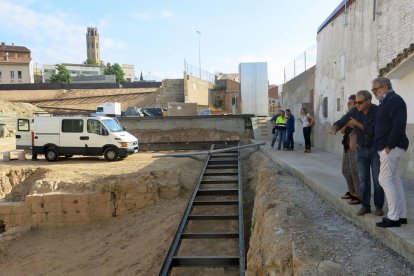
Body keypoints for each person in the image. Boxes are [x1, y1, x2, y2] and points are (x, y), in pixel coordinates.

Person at [330, 90, 384, 217]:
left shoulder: (378, 111)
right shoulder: (354, 111)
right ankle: (365, 206)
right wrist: (335, 127)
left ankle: (379, 207)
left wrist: (357, 124)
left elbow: (374, 131)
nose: (357, 105)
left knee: (377, 181)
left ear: (368, 101)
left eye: (359, 102)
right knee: (363, 180)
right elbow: (342, 120)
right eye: (356, 103)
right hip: (361, 151)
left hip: (375, 150)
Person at [371, 77, 409, 228]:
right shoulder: (387, 100)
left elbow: (398, 125)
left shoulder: (394, 100)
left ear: (385, 87)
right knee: (394, 179)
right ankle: (401, 215)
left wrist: (389, 145)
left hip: (391, 147)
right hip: (388, 146)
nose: (374, 92)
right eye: (373, 90)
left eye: (376, 89)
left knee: (385, 180)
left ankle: (393, 218)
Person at [339, 95, 360, 204]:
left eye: (350, 103)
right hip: (346, 145)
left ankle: (358, 195)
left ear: (356, 104)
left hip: (355, 147)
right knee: (345, 170)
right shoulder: (347, 116)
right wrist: (346, 122)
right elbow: (342, 131)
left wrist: (349, 123)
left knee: (354, 171)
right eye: (347, 103)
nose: (347, 105)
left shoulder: (359, 116)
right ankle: (352, 192)